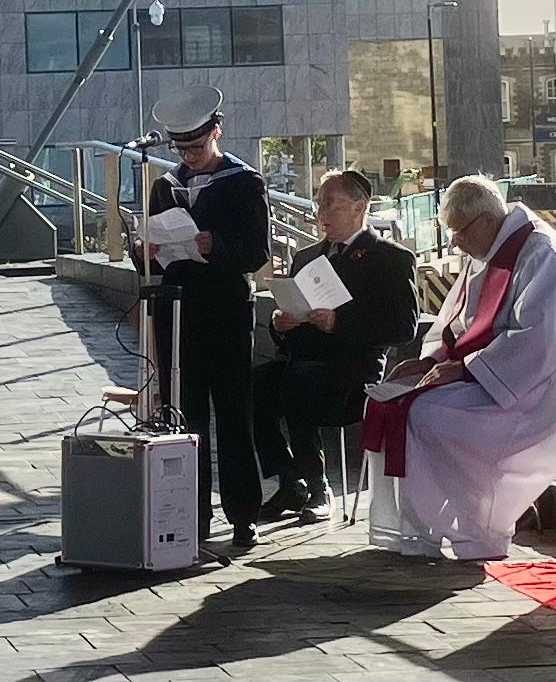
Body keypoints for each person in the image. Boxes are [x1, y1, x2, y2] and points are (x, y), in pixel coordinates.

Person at [364, 175, 556, 560]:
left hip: (534, 392)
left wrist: (467, 368)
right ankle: (419, 530)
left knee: (426, 415)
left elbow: (538, 341)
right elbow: (455, 322)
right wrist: (429, 361)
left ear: (487, 220)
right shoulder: (490, 251)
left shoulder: (544, 257)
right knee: (393, 405)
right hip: (494, 378)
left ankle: (480, 527)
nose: (454, 241)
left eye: (458, 231)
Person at [132, 86, 269, 549]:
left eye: (196, 146)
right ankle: (191, 515)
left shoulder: (244, 183)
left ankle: (244, 515)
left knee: (234, 414)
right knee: (184, 415)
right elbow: (149, 253)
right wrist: (143, 251)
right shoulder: (164, 184)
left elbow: (257, 253)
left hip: (227, 308)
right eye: (181, 149)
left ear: (217, 131)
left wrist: (218, 247)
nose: (188, 157)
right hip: (177, 310)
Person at [253, 170, 419, 524]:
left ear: (360, 207)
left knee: (298, 383)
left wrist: (339, 322)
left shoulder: (391, 258)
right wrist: (281, 325)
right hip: (304, 359)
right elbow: (291, 324)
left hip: (354, 370)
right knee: (253, 387)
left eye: (330, 205)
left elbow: (404, 327)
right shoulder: (307, 257)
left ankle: (318, 486)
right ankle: (289, 479)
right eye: (318, 204)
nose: (320, 214)